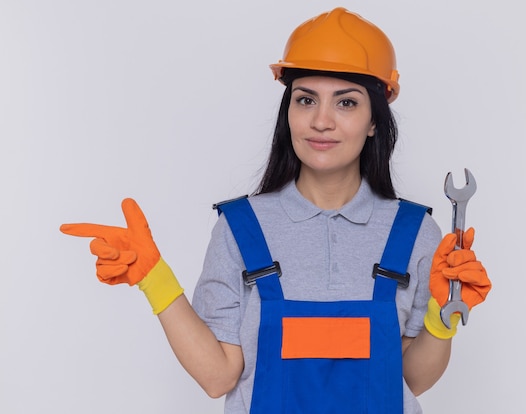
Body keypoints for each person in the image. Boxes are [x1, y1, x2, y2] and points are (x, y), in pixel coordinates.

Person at [60, 7, 491, 414]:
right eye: (305, 100)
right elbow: (217, 377)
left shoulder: (415, 232)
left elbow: (412, 379)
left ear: (374, 119)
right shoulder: (241, 229)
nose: (321, 121)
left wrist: (441, 314)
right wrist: (155, 280)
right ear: (288, 113)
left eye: (346, 102)